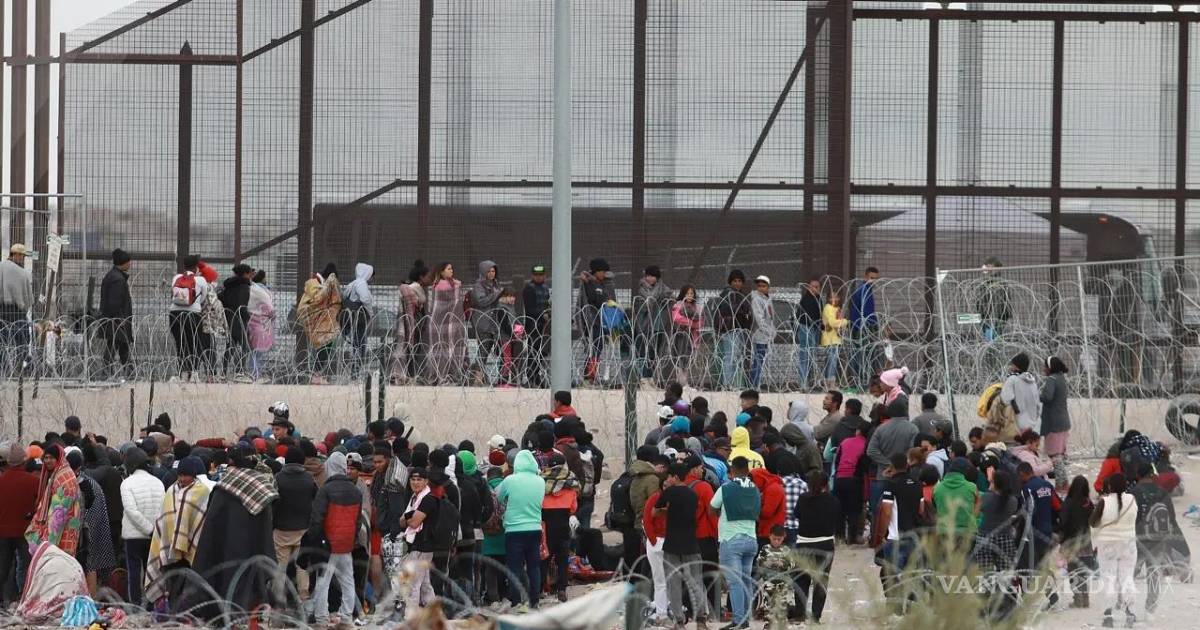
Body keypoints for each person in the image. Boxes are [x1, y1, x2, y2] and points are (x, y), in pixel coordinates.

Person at [180, 445, 279, 621]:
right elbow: (266, 525)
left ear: (231, 462)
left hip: (224, 549)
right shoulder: (263, 487)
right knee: (247, 590)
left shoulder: (223, 486)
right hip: (252, 550)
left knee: (224, 588)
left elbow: (212, 524)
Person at [143, 456, 209, 612]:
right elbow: (164, 517)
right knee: (172, 584)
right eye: (180, 475)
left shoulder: (202, 491)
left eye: (186, 475)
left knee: (189, 585)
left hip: (190, 551)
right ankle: (173, 614)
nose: (182, 478)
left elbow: (201, 520)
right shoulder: (171, 490)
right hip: (170, 548)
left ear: (193, 475)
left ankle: (187, 614)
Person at [309, 452, 363, 625]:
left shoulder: (325, 490)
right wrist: (352, 539)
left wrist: (314, 540)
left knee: (323, 582)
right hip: (346, 544)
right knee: (348, 581)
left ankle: (321, 618)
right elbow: (358, 521)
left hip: (328, 544)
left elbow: (317, 519)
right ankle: (346, 617)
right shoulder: (356, 491)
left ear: (330, 467)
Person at [1129, 462, 1188, 614]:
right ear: (1151, 474)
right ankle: (1150, 608)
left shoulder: (1133, 493)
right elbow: (1171, 519)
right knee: (1154, 573)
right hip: (1158, 540)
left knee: (1131, 572)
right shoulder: (1162, 492)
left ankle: (1126, 605)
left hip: (1137, 539)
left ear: (1138, 475)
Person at [709, 457, 761, 630]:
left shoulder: (725, 488)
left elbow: (711, 508)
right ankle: (745, 618)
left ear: (732, 471)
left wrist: (721, 513)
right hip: (751, 539)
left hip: (730, 539)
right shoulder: (755, 489)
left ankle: (739, 620)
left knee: (735, 582)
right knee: (746, 580)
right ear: (748, 470)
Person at [872, 452, 923, 612]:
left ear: (892, 467)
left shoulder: (891, 485)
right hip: (914, 537)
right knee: (912, 575)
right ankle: (911, 609)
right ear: (907, 465)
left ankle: (895, 609)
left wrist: (881, 535)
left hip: (895, 538)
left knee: (893, 576)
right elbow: (921, 510)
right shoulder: (917, 484)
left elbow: (886, 512)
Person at [1089, 472, 1138, 629]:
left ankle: (1108, 615)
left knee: (1108, 578)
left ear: (1109, 486)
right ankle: (1130, 612)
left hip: (1107, 545)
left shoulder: (1104, 502)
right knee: (1127, 577)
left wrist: (1094, 545)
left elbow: (1093, 523)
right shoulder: (1132, 499)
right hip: (1128, 544)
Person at [497, 450, 545, 610]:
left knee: (514, 567)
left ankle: (516, 601)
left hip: (513, 530)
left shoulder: (510, 481)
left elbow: (498, 497)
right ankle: (534, 601)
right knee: (534, 566)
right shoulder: (540, 481)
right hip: (534, 528)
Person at [793, 471, 841, 624]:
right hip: (825, 544)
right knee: (820, 581)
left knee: (801, 579)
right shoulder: (833, 500)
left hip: (804, 543)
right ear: (826, 484)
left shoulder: (803, 498)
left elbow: (796, 514)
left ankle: (800, 613)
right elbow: (838, 519)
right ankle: (816, 616)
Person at [119, 445, 163, 606]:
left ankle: (135, 604)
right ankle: (152, 603)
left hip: (134, 536)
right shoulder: (158, 483)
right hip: (154, 535)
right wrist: (153, 530)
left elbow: (131, 511)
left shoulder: (127, 484)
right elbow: (162, 509)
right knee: (152, 572)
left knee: (134, 573)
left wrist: (147, 529)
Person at [273, 446, 318, 605]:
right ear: (302, 461)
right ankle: (304, 598)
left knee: (280, 566)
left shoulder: (278, 478)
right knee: (302, 565)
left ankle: (279, 600)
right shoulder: (309, 479)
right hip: (303, 528)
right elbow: (316, 499)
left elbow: (272, 502)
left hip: (281, 529)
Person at [0, 443, 38, 606]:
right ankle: (24, 597)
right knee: (26, 566)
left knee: (3, 567)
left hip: (3, 532)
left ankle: (3, 600)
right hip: (25, 531)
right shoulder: (33, 481)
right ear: (24, 461)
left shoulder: (2, 480)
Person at [540, 454, 578, 603]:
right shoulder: (570, 484)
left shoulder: (541, 483)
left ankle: (541, 588)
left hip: (547, 526)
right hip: (563, 524)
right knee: (562, 560)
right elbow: (573, 508)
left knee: (545, 558)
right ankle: (561, 588)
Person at [297, 262, 342, 384]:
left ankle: (316, 374)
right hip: (314, 318)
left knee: (326, 343)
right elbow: (316, 299)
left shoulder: (323, 284)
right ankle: (315, 374)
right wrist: (327, 287)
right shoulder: (313, 283)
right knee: (323, 345)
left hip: (323, 320)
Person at [390, 260, 432, 384]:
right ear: (421, 277)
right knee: (409, 349)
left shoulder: (419, 288)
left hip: (415, 322)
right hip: (411, 323)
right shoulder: (414, 288)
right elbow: (415, 304)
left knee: (413, 349)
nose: (430, 279)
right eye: (428, 276)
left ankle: (410, 375)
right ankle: (404, 374)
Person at [1016, 461, 1060, 578]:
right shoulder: (1047, 485)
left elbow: (1025, 511)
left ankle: (1038, 586)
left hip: (1032, 533)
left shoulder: (1026, 489)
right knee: (1044, 562)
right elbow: (1058, 506)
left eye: (1019, 476)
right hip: (1047, 530)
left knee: (1033, 564)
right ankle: (1049, 585)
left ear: (1022, 474)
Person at [426, 262, 467, 384]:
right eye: (449, 269)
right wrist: (456, 286)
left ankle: (451, 376)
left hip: (453, 323)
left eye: (452, 268)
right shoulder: (438, 286)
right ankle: (441, 376)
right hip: (439, 322)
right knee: (441, 349)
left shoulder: (454, 284)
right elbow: (437, 306)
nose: (451, 271)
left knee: (454, 348)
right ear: (442, 272)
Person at [1058, 475, 1095, 609]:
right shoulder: (1088, 503)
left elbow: (1063, 522)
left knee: (1073, 571)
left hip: (1071, 542)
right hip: (1085, 542)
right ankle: (1085, 598)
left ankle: (1078, 598)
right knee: (1083, 572)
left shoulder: (1068, 503)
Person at [169, 254, 209, 380]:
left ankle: (182, 372)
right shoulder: (201, 280)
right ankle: (194, 373)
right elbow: (203, 298)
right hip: (193, 314)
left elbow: (173, 294)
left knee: (180, 343)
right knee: (195, 343)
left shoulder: (177, 277)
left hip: (175, 314)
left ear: (184, 265)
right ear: (196, 267)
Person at [578, 258, 616, 383]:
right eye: (602, 272)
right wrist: (604, 301)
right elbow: (593, 299)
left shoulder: (603, 284)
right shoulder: (589, 283)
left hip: (601, 320)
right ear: (596, 271)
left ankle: (592, 375)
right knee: (593, 348)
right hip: (592, 320)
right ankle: (589, 375)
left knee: (598, 348)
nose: (604, 274)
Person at [634, 265, 673, 383]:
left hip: (658, 324)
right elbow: (639, 307)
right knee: (643, 350)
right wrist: (650, 304)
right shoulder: (641, 289)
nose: (649, 278)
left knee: (655, 352)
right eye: (648, 276)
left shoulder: (665, 290)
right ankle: (642, 377)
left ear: (657, 277)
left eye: (652, 276)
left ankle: (651, 378)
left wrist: (662, 302)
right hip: (644, 324)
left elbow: (671, 301)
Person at [714, 270, 752, 389]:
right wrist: (741, 309)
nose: (737, 283)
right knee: (729, 356)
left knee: (736, 357)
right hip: (729, 329)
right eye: (735, 281)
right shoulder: (727, 294)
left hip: (739, 329)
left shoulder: (741, 294)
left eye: (740, 281)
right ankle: (727, 383)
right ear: (730, 282)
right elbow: (727, 309)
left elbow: (746, 310)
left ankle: (735, 383)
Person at [832, 419, 868, 543]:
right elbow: (864, 464)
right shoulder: (866, 445)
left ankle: (839, 537)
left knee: (840, 509)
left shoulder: (845, 441)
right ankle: (852, 538)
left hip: (840, 478)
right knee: (854, 511)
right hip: (855, 480)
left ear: (858, 431)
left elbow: (837, 460)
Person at [99, 248, 133, 378]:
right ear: (123, 263)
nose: (130, 264)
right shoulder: (118, 280)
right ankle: (106, 374)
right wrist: (120, 319)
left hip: (115, 321)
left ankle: (131, 374)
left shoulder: (114, 276)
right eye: (129, 261)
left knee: (122, 348)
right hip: (117, 322)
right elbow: (114, 302)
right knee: (113, 348)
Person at [756, 524, 799, 627]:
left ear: (783, 538)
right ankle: (769, 624)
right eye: (774, 539)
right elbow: (758, 562)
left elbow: (792, 564)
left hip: (783, 584)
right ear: (769, 536)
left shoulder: (786, 550)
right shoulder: (765, 549)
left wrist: (783, 564)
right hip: (769, 583)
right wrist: (766, 563)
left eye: (779, 539)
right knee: (768, 605)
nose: (776, 541)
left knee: (782, 605)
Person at [470, 260, 505, 383]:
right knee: (483, 348)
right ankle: (477, 376)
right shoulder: (478, 286)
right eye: (489, 271)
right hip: (483, 321)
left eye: (493, 271)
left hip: (494, 322)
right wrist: (496, 295)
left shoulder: (496, 284)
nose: (491, 274)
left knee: (490, 348)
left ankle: (480, 374)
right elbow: (481, 301)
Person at [932, 457, 980, 546]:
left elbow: (935, 508)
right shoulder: (972, 487)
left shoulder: (936, 489)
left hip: (944, 532)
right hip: (967, 533)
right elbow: (978, 507)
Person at [1040, 356, 1071, 485]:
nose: (1044, 369)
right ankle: (1063, 482)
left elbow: (1047, 397)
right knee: (1059, 454)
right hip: (1063, 421)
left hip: (1053, 423)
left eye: (1045, 367)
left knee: (1055, 455)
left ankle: (1062, 483)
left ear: (1050, 368)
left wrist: (1038, 395)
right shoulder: (1061, 378)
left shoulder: (1051, 379)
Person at [847, 266, 880, 389]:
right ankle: (860, 381)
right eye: (871, 278)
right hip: (861, 327)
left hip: (864, 326)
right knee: (862, 355)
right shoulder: (863, 290)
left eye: (875, 279)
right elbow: (866, 312)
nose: (873, 281)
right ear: (865, 277)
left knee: (865, 354)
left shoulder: (867, 290)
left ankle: (862, 381)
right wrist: (872, 325)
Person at [220, 263, 254, 378]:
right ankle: (240, 372)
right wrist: (248, 317)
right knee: (245, 346)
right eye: (250, 272)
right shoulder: (244, 286)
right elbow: (242, 306)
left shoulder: (229, 286)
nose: (251, 275)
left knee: (230, 346)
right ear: (245, 274)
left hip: (229, 318)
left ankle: (223, 373)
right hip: (239, 320)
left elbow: (222, 299)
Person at [342, 262, 376, 377]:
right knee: (360, 344)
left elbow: (344, 296)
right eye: (371, 275)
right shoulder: (361, 283)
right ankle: (355, 371)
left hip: (350, 318)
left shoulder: (352, 283)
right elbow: (365, 299)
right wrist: (371, 313)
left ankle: (352, 369)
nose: (371, 278)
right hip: (359, 318)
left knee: (355, 343)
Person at [520, 264, 550, 387]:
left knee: (541, 352)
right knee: (533, 352)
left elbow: (547, 304)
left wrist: (548, 313)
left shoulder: (545, 289)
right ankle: (531, 376)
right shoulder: (529, 289)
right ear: (532, 275)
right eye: (536, 275)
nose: (539, 277)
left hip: (544, 325)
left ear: (545, 275)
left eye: (541, 275)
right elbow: (529, 309)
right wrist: (543, 315)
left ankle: (537, 376)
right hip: (533, 325)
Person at [669, 285, 703, 385]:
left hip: (693, 336)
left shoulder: (697, 307)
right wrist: (691, 323)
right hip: (680, 336)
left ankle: (685, 382)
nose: (689, 295)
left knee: (688, 360)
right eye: (687, 293)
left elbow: (700, 322)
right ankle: (681, 383)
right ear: (683, 294)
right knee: (680, 359)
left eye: (691, 293)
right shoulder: (678, 305)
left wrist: (691, 324)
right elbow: (676, 318)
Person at [794, 276, 823, 392]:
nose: (815, 289)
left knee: (811, 356)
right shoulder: (806, 299)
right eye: (812, 287)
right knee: (805, 356)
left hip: (814, 329)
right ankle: (803, 384)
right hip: (805, 328)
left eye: (817, 287)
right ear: (808, 288)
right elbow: (801, 316)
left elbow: (819, 316)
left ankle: (809, 382)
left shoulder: (819, 299)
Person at [1001, 352, 1041, 433]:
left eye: (1012, 364)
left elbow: (1006, 400)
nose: (1011, 366)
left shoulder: (1012, 380)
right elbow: (1037, 405)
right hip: (1032, 426)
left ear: (1017, 366)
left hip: (1017, 426)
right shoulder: (1032, 381)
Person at [246, 270, 275, 381]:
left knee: (252, 352)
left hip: (249, 323)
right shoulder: (262, 292)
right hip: (261, 326)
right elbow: (270, 309)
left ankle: (252, 373)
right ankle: (254, 374)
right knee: (257, 353)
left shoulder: (249, 289)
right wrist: (272, 316)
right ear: (263, 279)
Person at [749, 275, 776, 388]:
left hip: (766, 335)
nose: (761, 288)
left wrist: (772, 331)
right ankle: (753, 384)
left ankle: (756, 383)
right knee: (758, 360)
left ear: (768, 287)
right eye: (759, 286)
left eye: (764, 286)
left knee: (760, 360)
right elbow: (759, 318)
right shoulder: (757, 299)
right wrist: (768, 331)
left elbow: (770, 318)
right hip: (760, 335)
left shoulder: (767, 299)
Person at [977, 257, 1012, 342]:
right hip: (986, 314)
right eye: (988, 267)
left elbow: (1006, 299)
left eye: (992, 267)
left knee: (997, 336)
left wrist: (1006, 313)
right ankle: (990, 348)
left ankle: (996, 348)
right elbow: (980, 298)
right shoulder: (984, 282)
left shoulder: (1002, 283)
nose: (990, 270)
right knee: (988, 337)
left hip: (1000, 314)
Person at [820, 288, 849, 389]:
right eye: (832, 297)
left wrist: (841, 322)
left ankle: (828, 382)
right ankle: (830, 383)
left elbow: (837, 324)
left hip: (835, 339)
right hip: (830, 339)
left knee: (831, 361)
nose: (835, 299)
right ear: (828, 299)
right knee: (832, 362)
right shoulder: (828, 308)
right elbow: (833, 323)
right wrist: (845, 321)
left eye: (836, 297)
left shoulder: (837, 309)